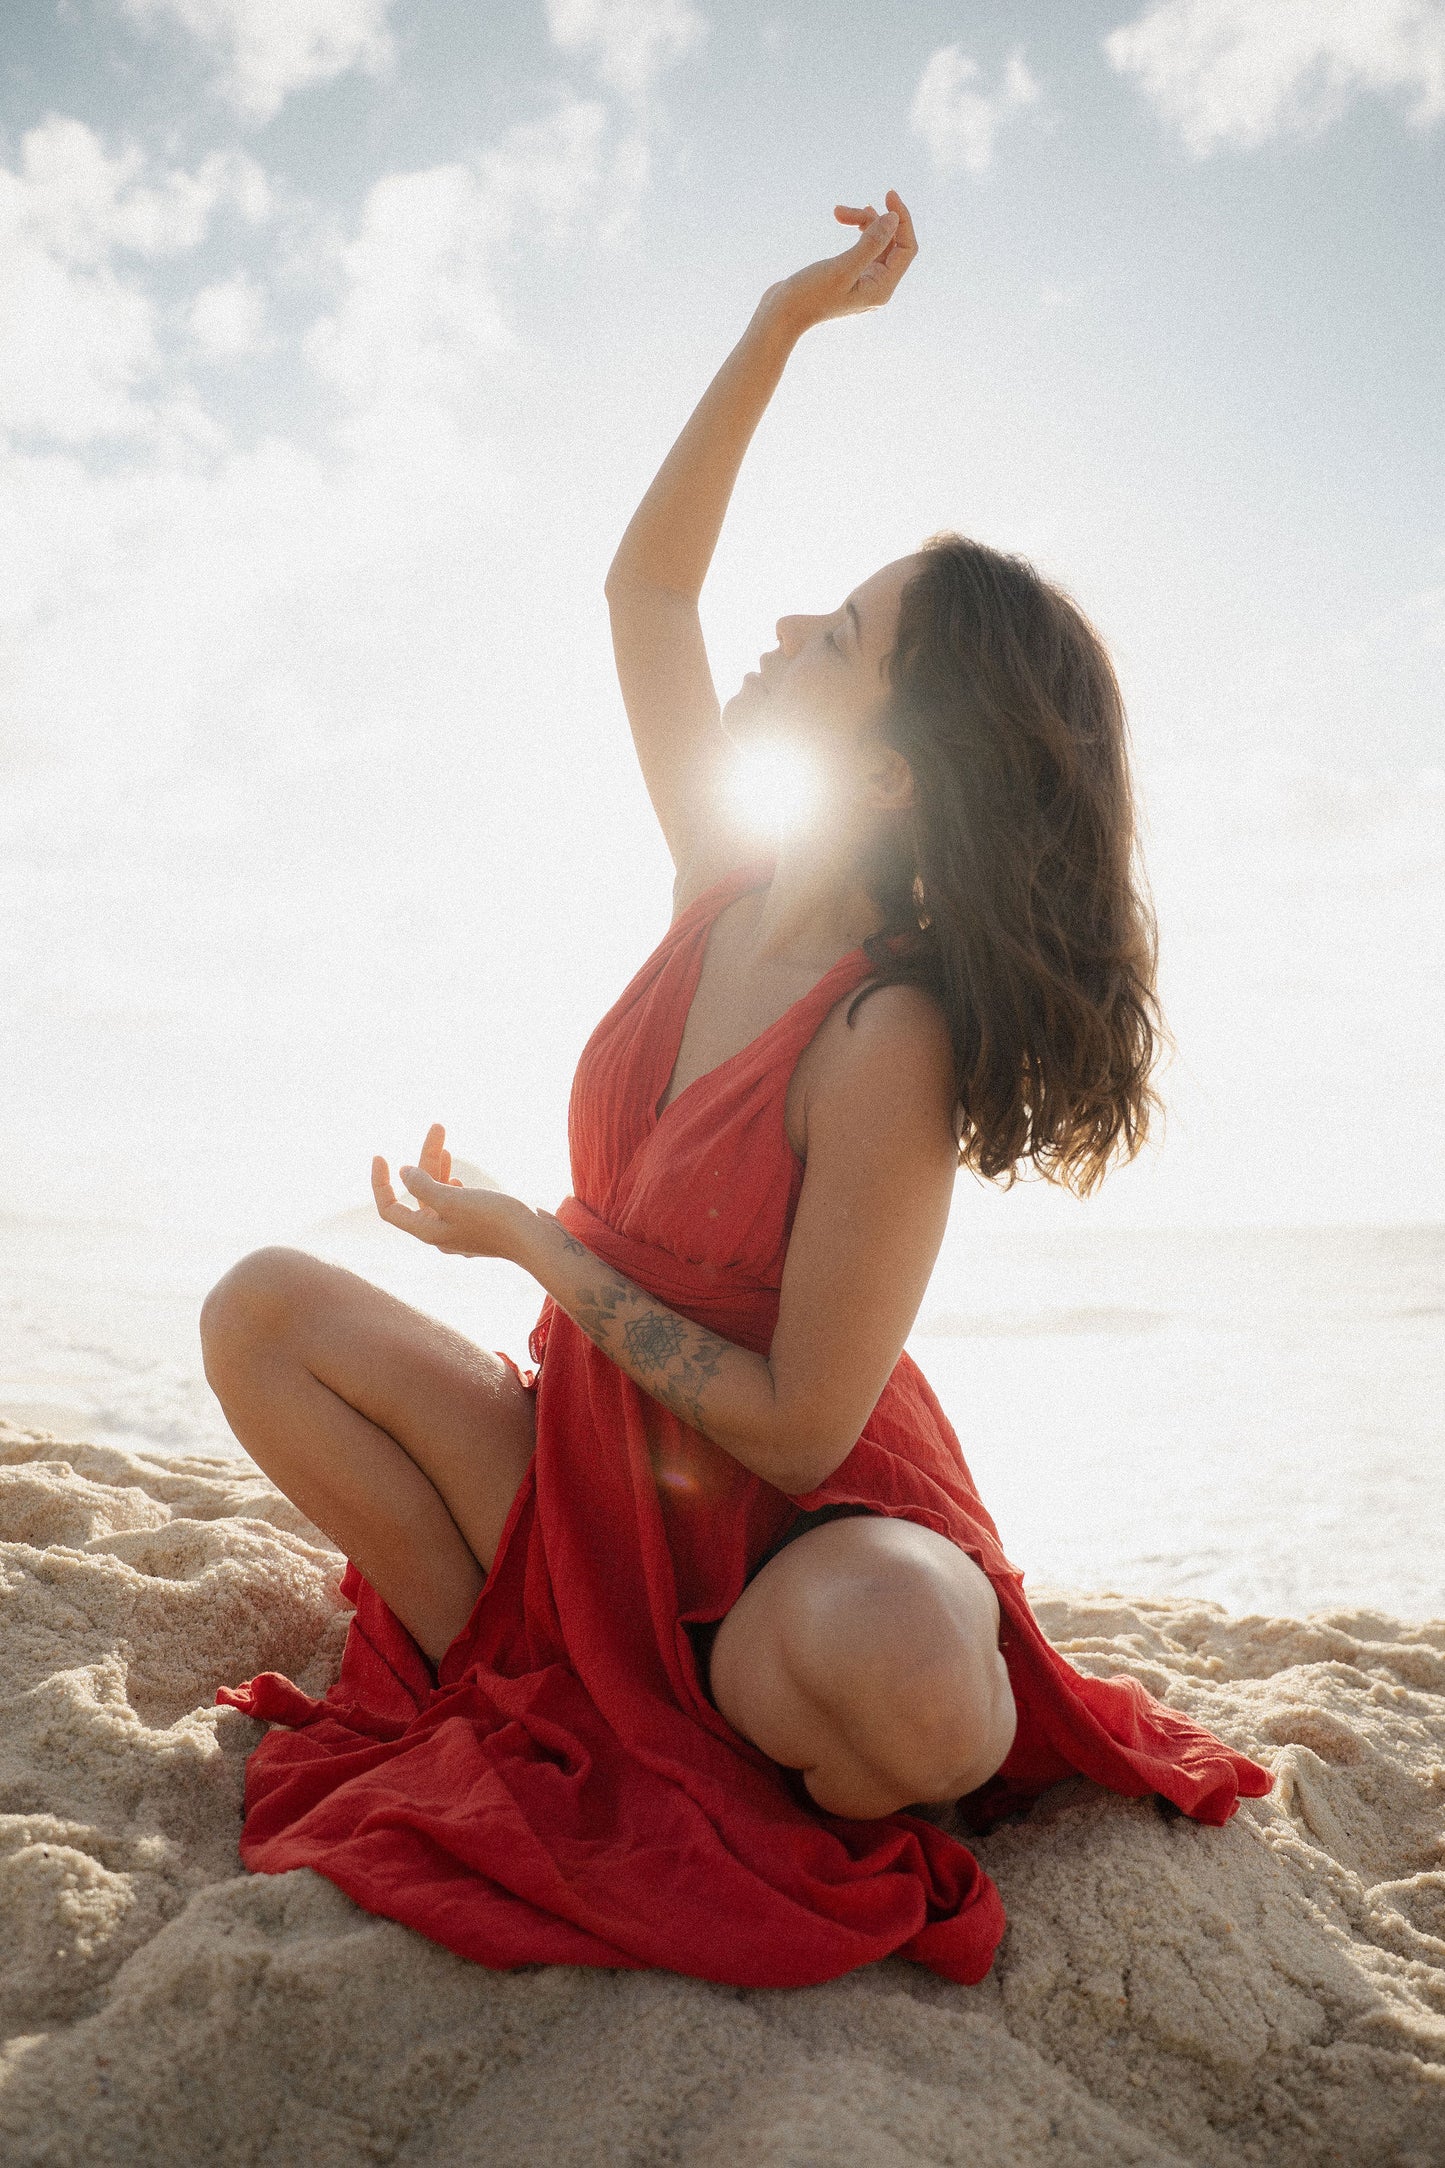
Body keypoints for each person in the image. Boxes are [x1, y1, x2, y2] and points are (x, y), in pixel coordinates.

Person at [204, 193, 1269, 1987]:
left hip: (793, 1519)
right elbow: (648, 594)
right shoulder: (723, 876)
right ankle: (530, 1683)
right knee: (260, 1310)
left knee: (914, 1691)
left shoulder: (887, 1033)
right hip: (594, 1472)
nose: (790, 626)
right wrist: (778, 327)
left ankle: (700, 1706)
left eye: (840, 637)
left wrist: (536, 1246)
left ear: (899, 768)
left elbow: (790, 1427)